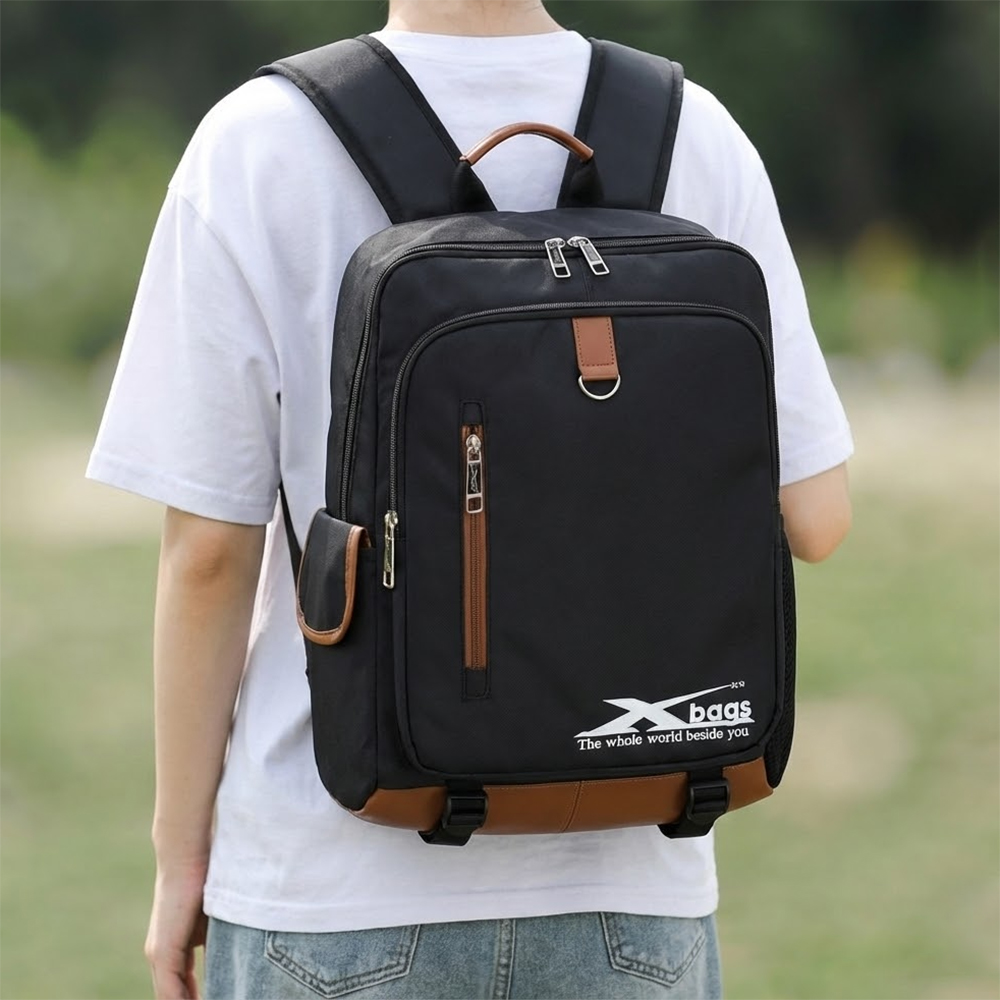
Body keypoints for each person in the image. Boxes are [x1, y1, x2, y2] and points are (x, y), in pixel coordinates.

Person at [87, 1, 854, 997]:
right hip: (636, 883)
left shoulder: (258, 142)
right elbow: (817, 520)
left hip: (332, 890)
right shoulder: (692, 131)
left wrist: (179, 857)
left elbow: (208, 556)